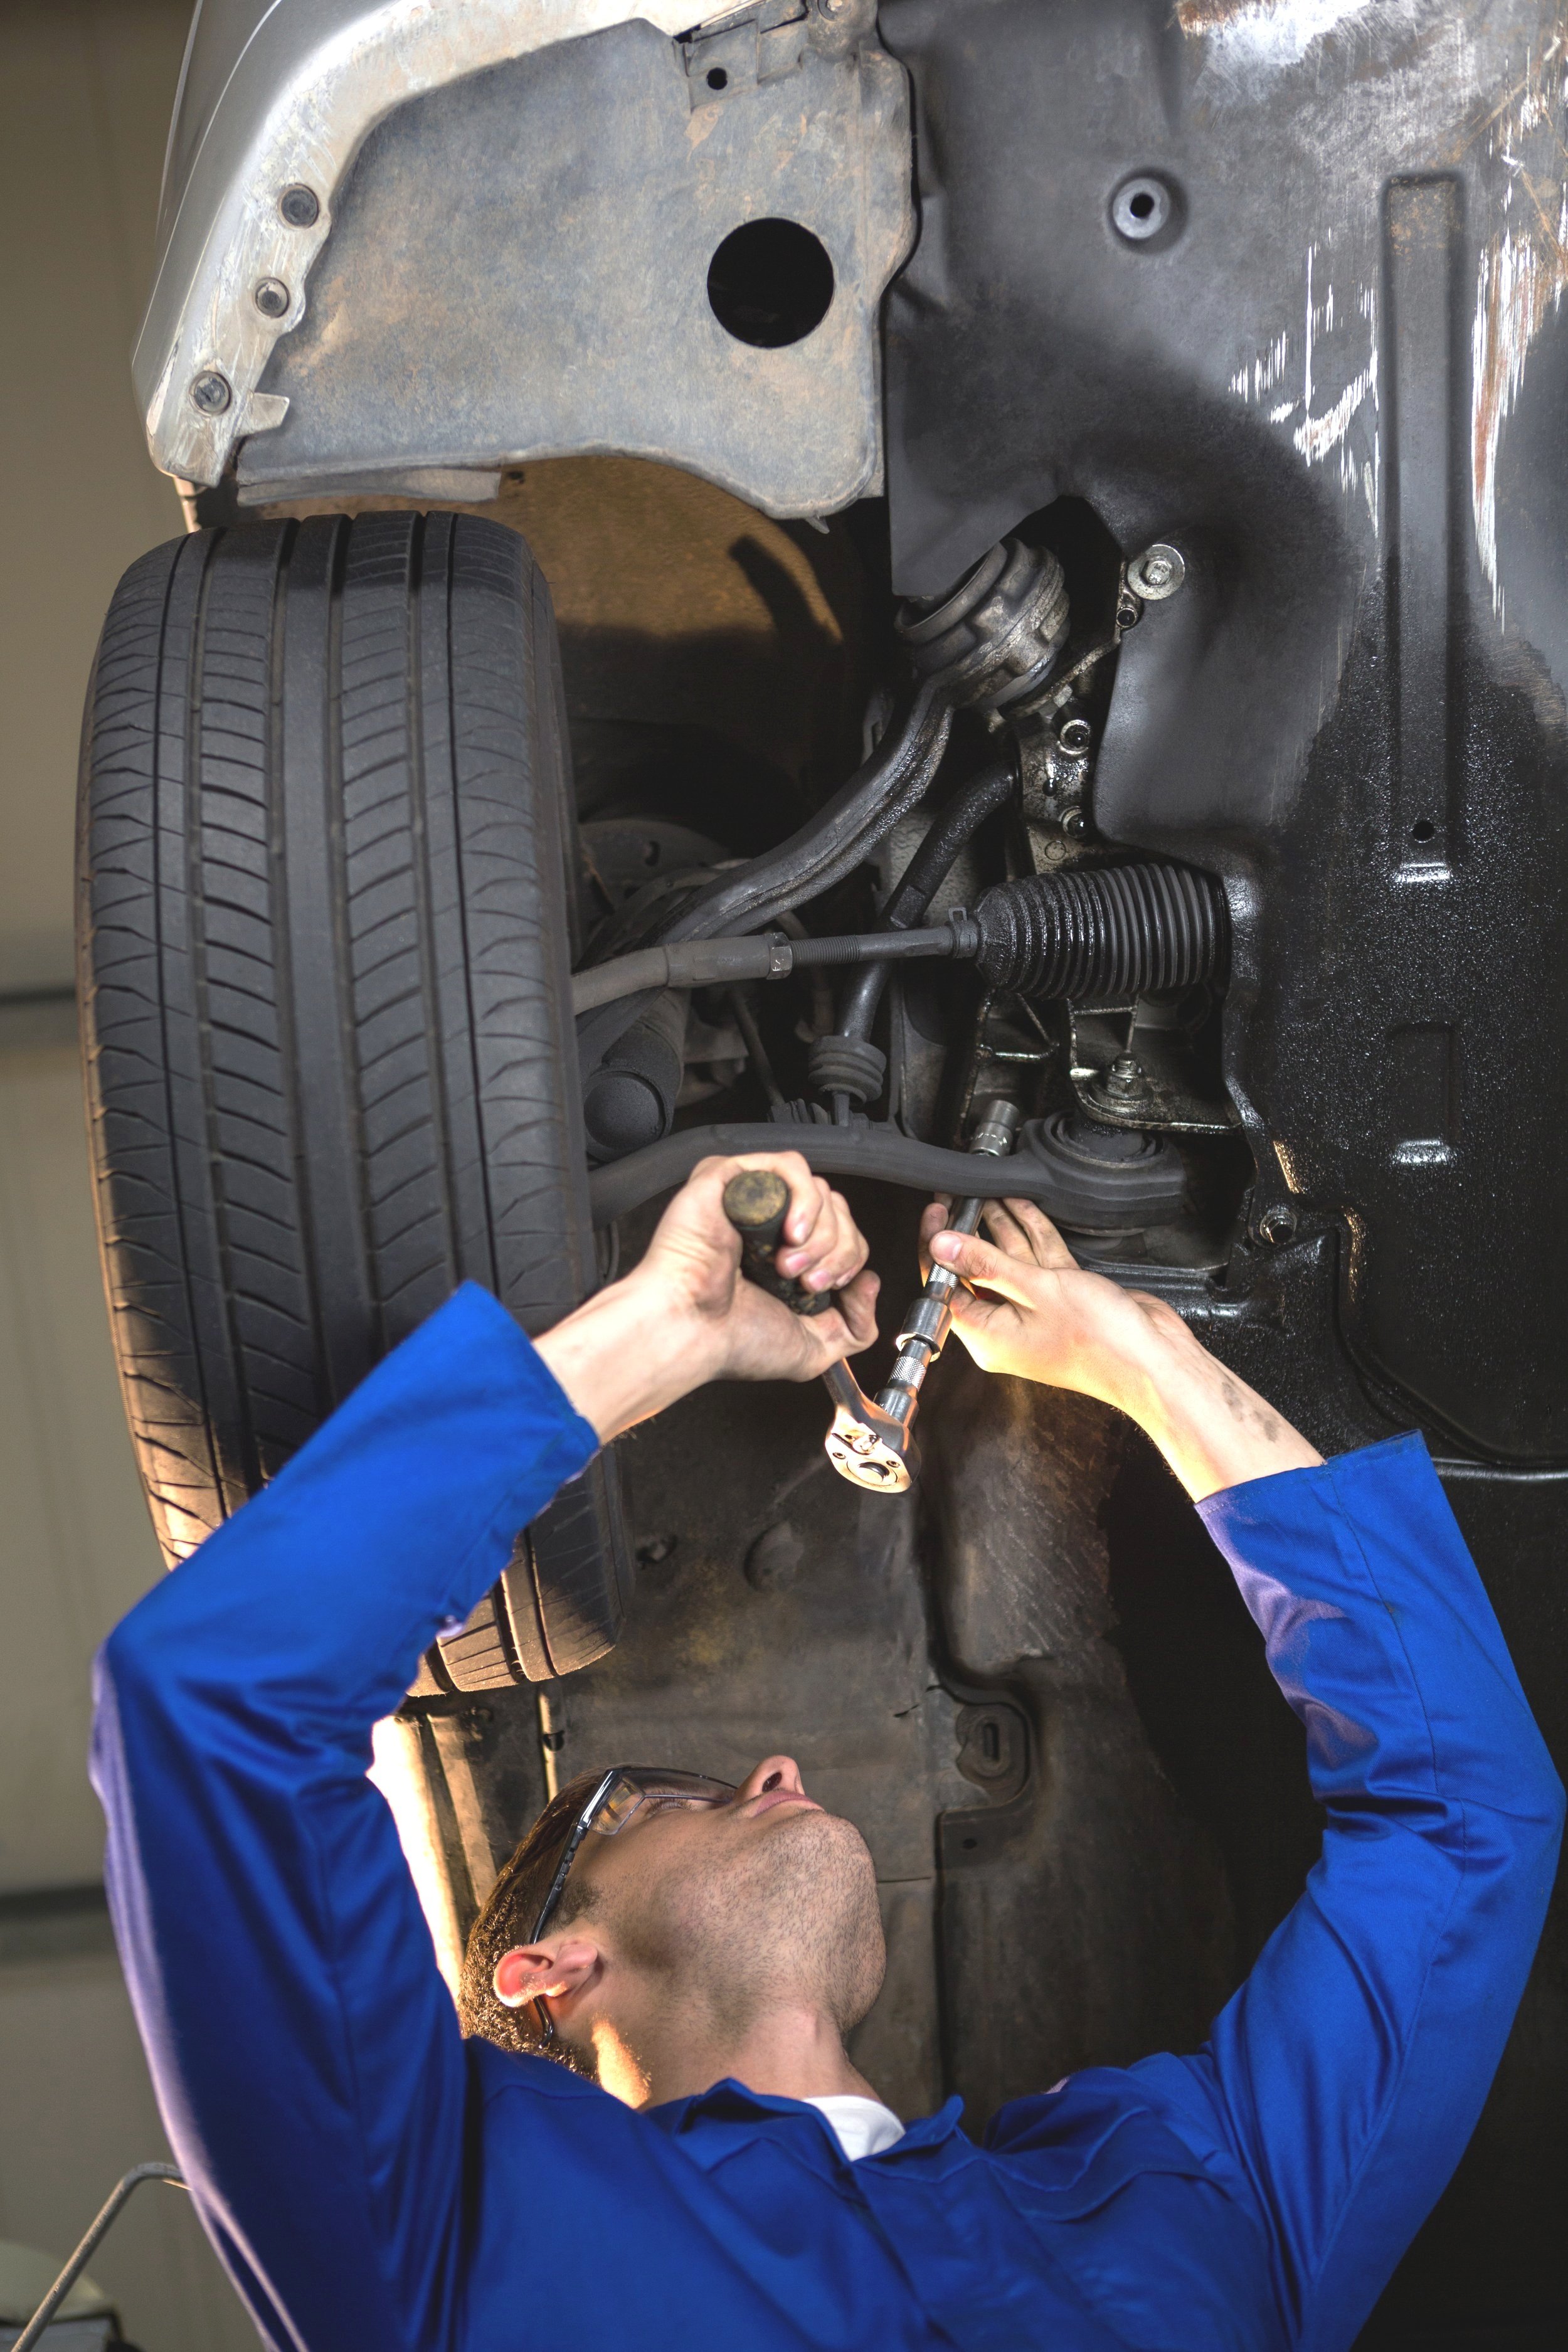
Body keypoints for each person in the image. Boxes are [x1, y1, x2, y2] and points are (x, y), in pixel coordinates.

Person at [92, 1153, 1561, 2352]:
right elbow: (1463, 1823)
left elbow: (216, 1702)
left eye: (676, 1790)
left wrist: (1147, 1358)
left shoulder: (1186, 2182)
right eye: (670, 1792)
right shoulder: (433, 2220)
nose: (779, 1772)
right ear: (539, 1972)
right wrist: (651, 1339)